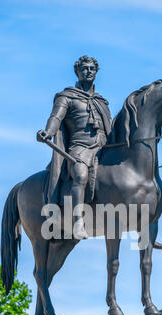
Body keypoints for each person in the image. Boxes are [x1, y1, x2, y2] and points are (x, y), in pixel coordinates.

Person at [37, 55, 112, 239]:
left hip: (104, 145)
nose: (88, 71)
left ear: (96, 72)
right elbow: (56, 117)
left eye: (92, 68)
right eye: (84, 68)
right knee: (80, 173)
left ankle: (143, 222)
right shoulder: (67, 97)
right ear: (77, 72)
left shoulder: (102, 101)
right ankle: (78, 221)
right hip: (80, 145)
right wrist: (48, 131)